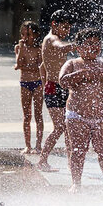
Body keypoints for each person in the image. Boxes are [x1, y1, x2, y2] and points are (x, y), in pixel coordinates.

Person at [58, 28, 103, 192]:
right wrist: (81, 75)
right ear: (78, 47)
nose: (94, 47)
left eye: (97, 44)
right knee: (78, 151)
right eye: (89, 44)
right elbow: (62, 81)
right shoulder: (72, 64)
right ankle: (76, 184)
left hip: (102, 117)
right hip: (77, 116)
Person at [36, 9, 74, 172]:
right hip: (54, 88)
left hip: (59, 87)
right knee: (59, 127)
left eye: (69, 27)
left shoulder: (49, 42)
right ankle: (42, 161)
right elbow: (61, 47)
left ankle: (71, 161)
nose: (67, 30)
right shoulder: (51, 39)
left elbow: (42, 66)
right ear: (54, 24)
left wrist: (45, 82)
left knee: (67, 126)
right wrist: (77, 45)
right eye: (64, 27)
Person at [14, 21, 44, 154]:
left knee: (38, 115)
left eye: (29, 34)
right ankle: (28, 145)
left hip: (37, 83)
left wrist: (26, 67)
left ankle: (38, 145)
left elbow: (39, 67)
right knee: (27, 116)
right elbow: (19, 64)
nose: (25, 37)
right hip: (25, 83)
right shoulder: (19, 47)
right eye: (23, 34)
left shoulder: (39, 48)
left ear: (36, 35)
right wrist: (21, 49)